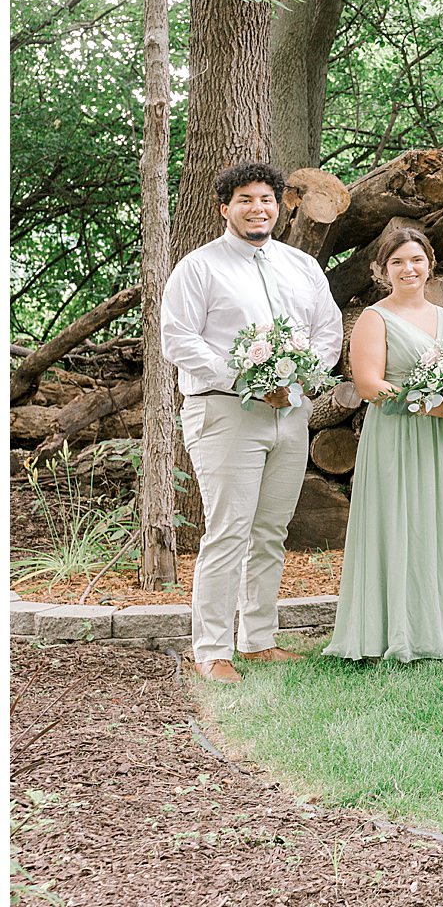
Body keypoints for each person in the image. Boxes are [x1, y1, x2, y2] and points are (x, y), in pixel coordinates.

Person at [160, 161, 344, 684]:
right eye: (245, 199)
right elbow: (178, 338)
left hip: (290, 411)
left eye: (265, 198)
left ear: (279, 205)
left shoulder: (301, 266)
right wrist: (244, 379)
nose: (256, 208)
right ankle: (213, 650)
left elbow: (327, 329)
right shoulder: (199, 268)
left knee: (269, 531)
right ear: (225, 208)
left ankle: (258, 640)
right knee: (229, 530)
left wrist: (305, 377)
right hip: (225, 410)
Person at [326, 226, 443, 663]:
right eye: (398, 262)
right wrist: (427, 406)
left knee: (434, 522)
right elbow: (368, 384)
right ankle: (389, 630)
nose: (409, 269)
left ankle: (435, 626)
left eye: (416, 260)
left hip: (440, 438)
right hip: (397, 434)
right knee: (398, 521)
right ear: (383, 270)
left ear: (430, 263)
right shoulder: (374, 317)